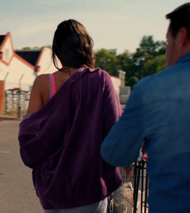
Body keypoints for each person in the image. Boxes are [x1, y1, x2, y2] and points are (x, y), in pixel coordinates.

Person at [100, 2, 190, 212]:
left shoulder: (151, 89)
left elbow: (115, 153)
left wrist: (141, 141)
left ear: (182, 36)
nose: (167, 50)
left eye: (168, 41)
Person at [18, 19, 122, 213]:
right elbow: (116, 131)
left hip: (52, 190)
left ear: (57, 51)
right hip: (89, 189)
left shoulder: (43, 83)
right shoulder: (100, 80)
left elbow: (28, 135)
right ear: (86, 47)